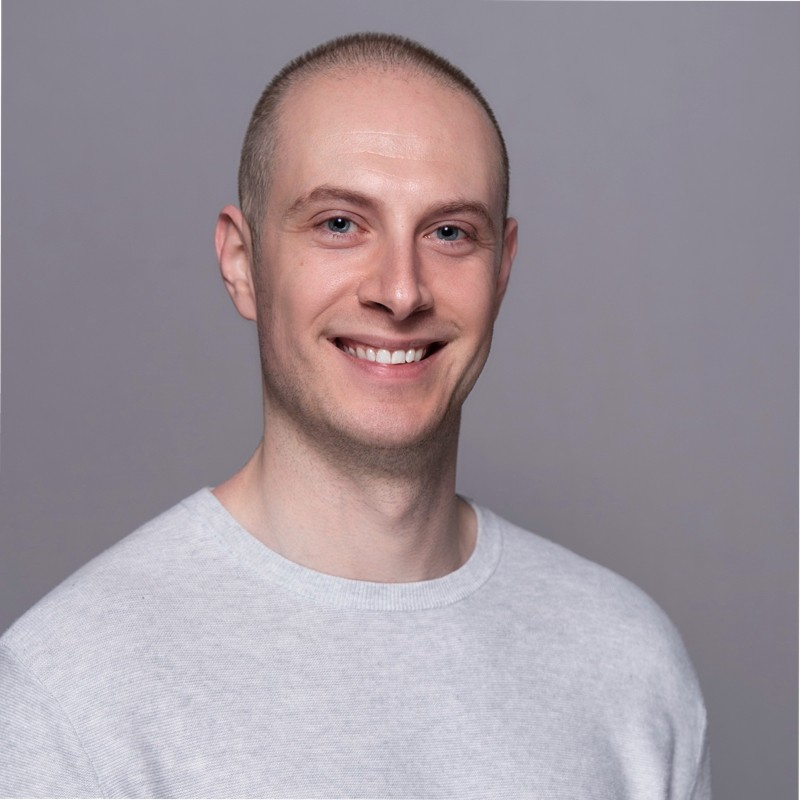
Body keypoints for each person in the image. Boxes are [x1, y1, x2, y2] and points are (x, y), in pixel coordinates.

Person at [0, 32, 710, 798]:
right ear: (242, 264)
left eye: (449, 233)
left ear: (502, 270)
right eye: (339, 224)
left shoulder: (629, 662)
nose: (401, 292)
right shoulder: (69, 691)